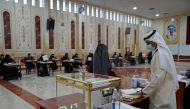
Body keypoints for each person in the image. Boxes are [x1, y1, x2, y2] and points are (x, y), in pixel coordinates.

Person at [142, 30, 179, 109]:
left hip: (162, 96)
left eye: (148, 43)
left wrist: (144, 91)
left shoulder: (160, 54)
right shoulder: (163, 52)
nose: (148, 46)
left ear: (154, 41)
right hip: (165, 92)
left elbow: (158, 78)